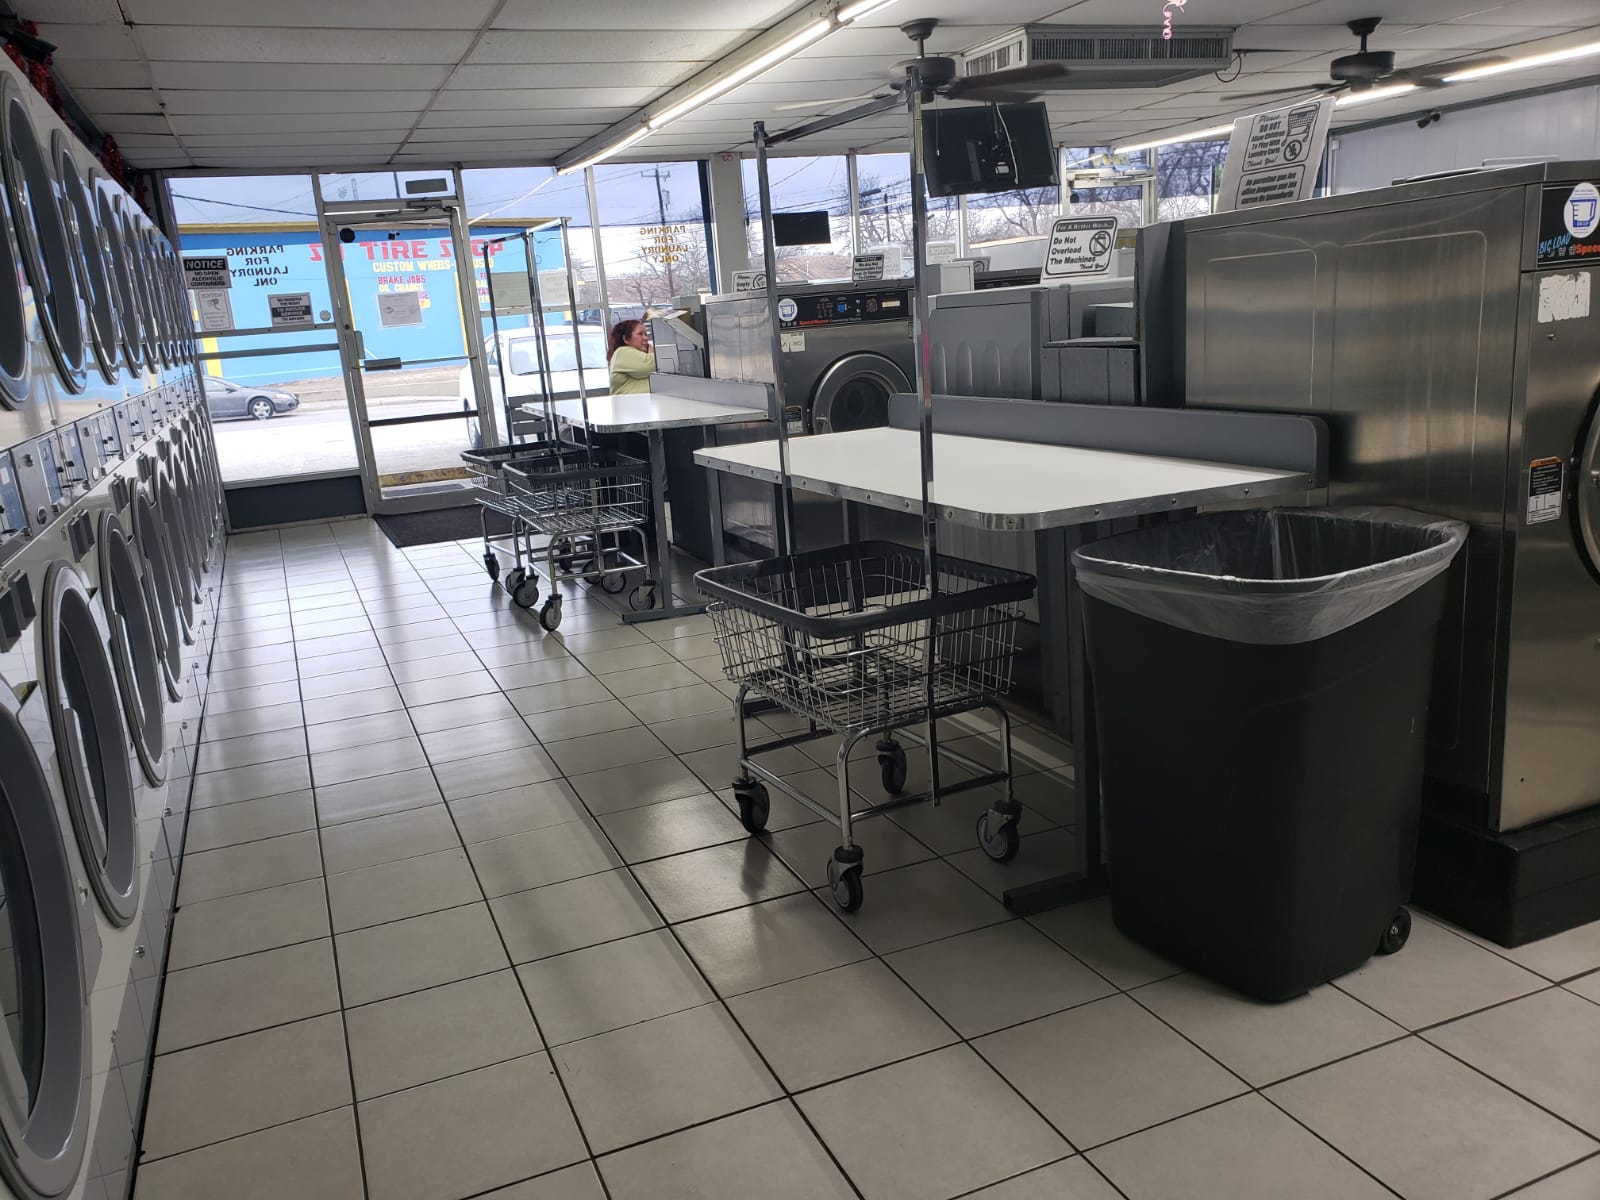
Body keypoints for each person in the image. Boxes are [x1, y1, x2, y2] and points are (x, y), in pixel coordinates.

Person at [607, 319, 655, 395]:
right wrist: (652, 351)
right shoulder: (622, 352)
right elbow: (653, 365)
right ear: (626, 339)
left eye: (646, 334)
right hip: (629, 402)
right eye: (640, 334)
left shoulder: (637, 354)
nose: (646, 338)